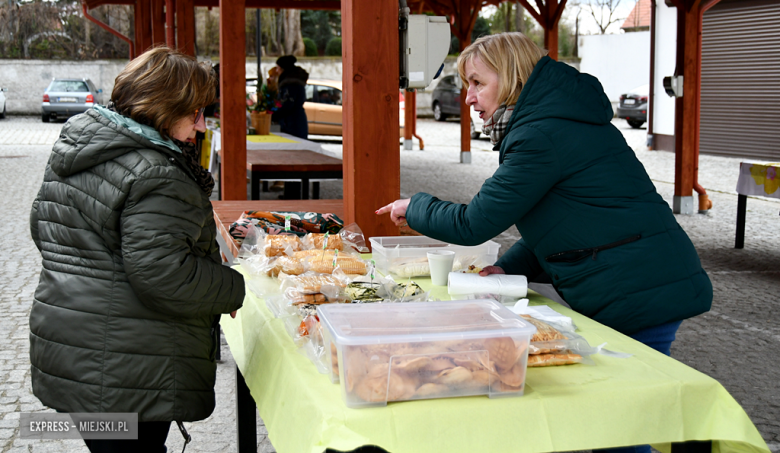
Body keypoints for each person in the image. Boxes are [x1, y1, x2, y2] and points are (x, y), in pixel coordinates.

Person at [377, 33, 711, 359]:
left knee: (637, 395)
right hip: (642, 278)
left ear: (512, 80)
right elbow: (558, 226)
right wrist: (507, 269)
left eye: (478, 83)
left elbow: (472, 223)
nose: (469, 97)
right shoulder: (552, 122)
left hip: (638, 288)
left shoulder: (540, 135)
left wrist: (415, 205)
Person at [29, 47, 245, 452]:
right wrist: (234, 286)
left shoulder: (82, 148)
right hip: (127, 366)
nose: (201, 126)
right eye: (195, 112)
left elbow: (43, 227)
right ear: (165, 108)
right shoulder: (158, 172)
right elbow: (166, 275)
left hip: (77, 348)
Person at [271, 55, 309, 139]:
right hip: (293, 122)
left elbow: (286, 105)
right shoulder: (292, 83)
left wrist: (271, 115)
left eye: (278, 68)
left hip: (292, 124)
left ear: (283, 69)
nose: (277, 71)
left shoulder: (290, 85)